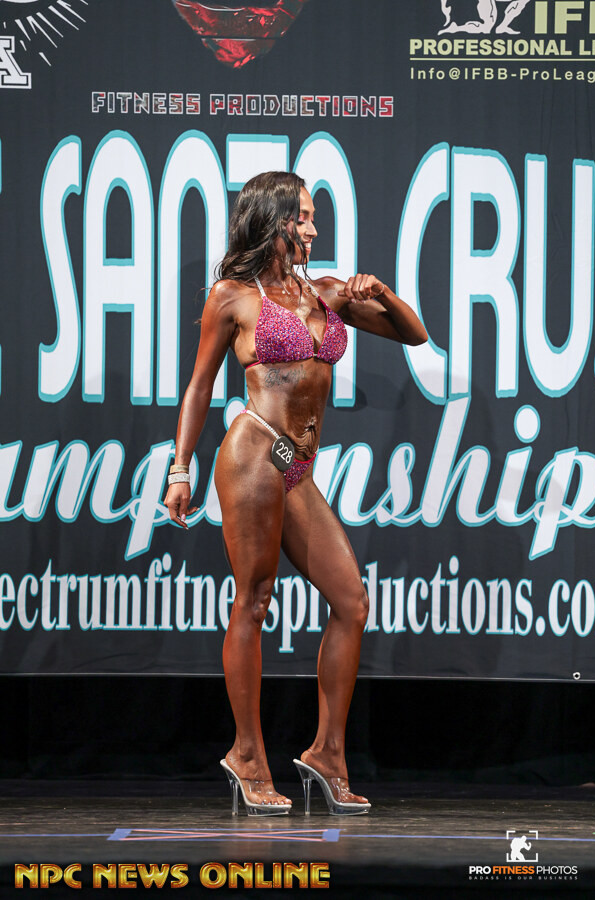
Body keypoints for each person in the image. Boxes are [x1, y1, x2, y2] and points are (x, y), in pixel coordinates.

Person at [163, 171, 427, 816]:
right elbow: (200, 386)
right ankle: (247, 755)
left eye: (313, 217)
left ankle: (327, 754)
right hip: (253, 452)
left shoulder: (325, 292)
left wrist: (381, 292)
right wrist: (179, 469)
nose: (313, 227)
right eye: (303, 217)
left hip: (296, 467)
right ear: (275, 220)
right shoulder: (234, 296)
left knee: (351, 601)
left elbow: (414, 334)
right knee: (254, 600)